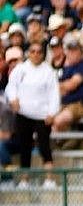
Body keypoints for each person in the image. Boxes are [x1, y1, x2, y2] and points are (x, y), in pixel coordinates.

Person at [4, 40, 57, 179]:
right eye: (33, 51)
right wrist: (13, 98)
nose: (35, 54)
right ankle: (24, 180)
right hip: (24, 114)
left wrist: (52, 112)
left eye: (39, 52)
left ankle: (49, 179)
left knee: (45, 148)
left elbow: (54, 93)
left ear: (42, 54)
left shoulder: (48, 71)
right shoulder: (20, 69)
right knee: (24, 148)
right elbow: (11, 87)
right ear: (29, 53)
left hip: (42, 115)